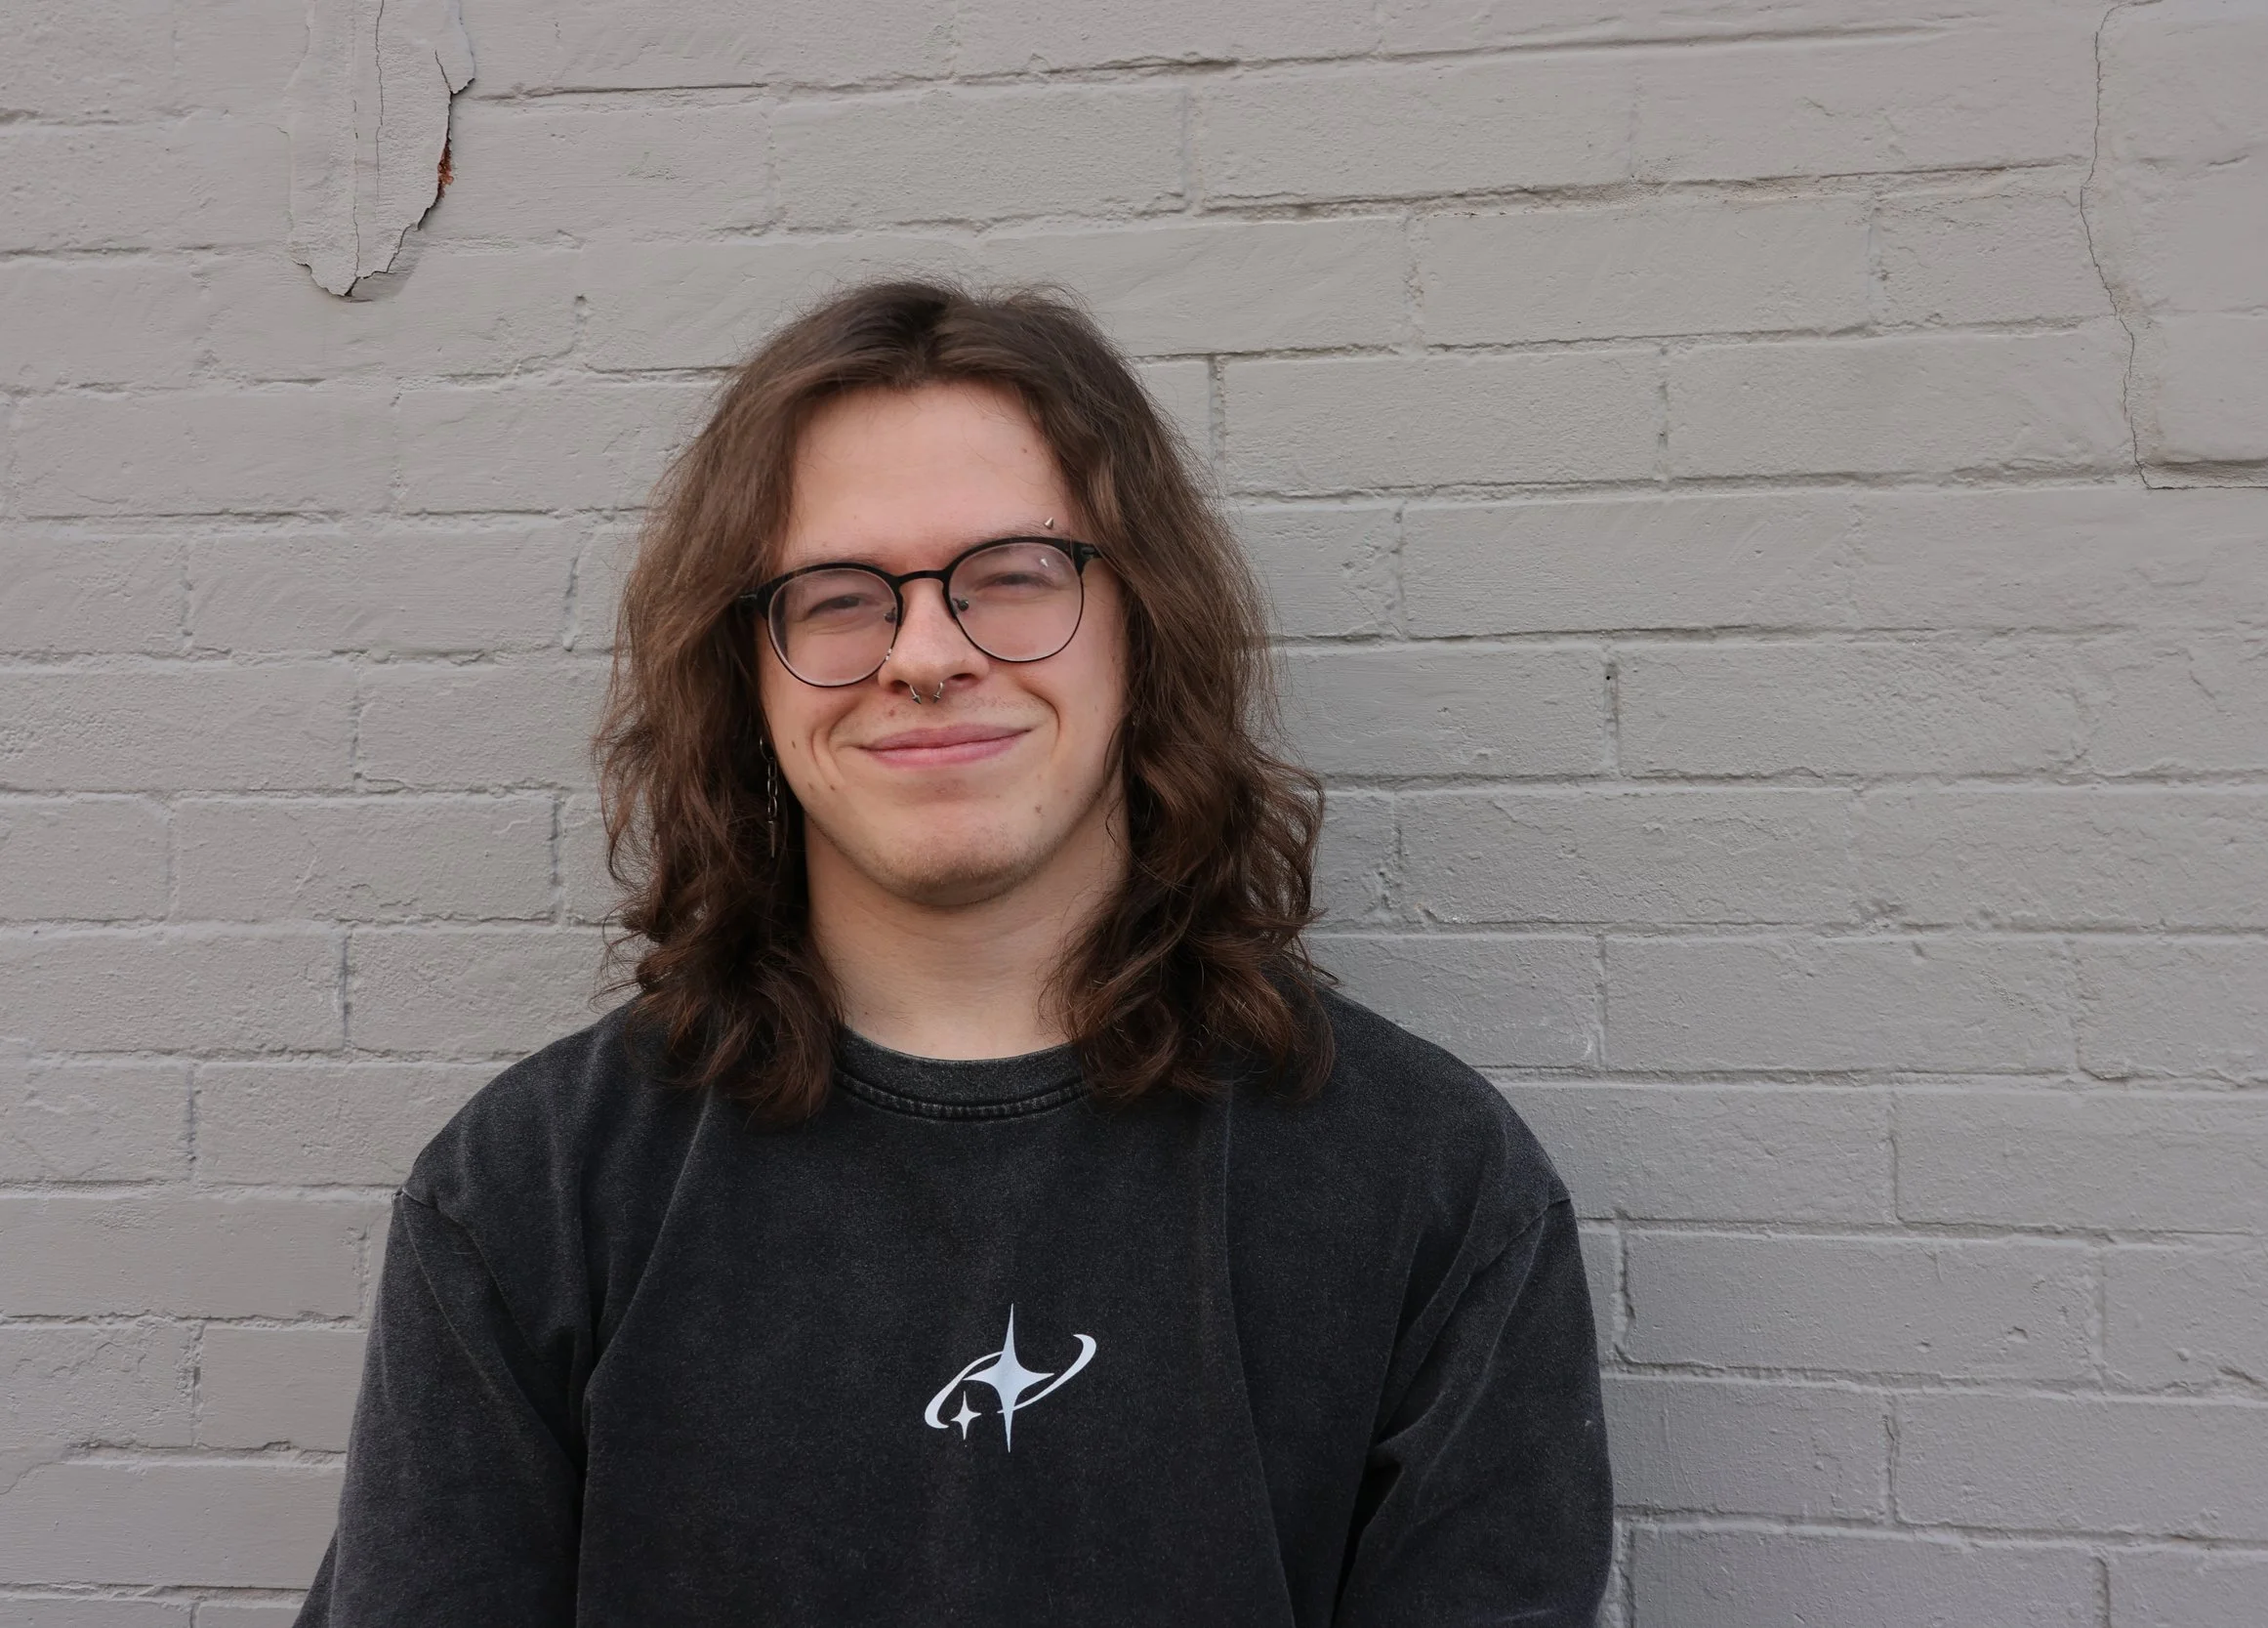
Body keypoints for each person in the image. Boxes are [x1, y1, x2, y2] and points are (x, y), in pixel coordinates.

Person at [297, 281, 1612, 1626]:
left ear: (1143, 629)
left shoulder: (1429, 1189)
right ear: (747, 673)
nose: (925, 654)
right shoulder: (529, 1195)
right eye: (838, 597)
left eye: (1014, 577)